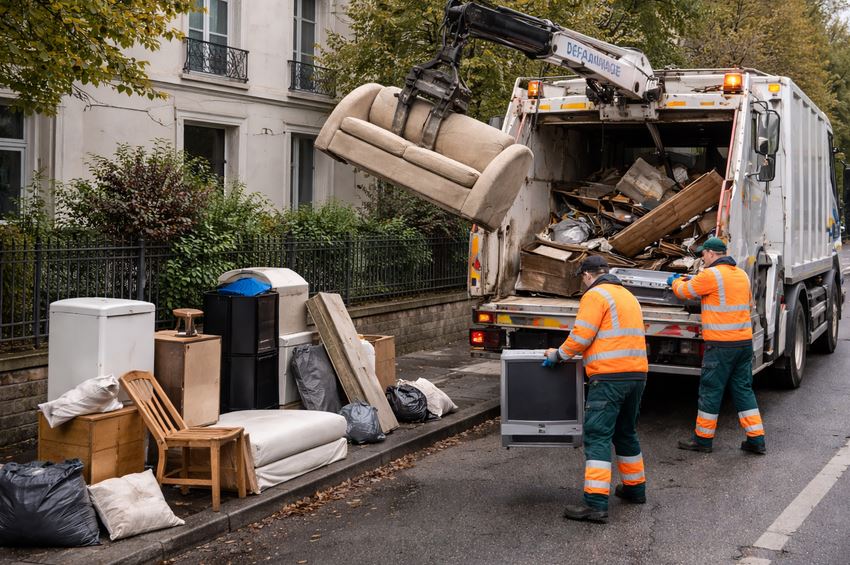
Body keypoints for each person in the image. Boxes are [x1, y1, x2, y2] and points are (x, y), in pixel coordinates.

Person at [544, 255, 648, 524]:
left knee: (598, 435)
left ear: (588, 275)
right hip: (637, 374)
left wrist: (557, 355)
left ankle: (596, 503)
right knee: (626, 431)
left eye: (583, 277)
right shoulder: (627, 295)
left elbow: (581, 336)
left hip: (610, 377)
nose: (583, 282)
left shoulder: (595, 295)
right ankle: (635, 488)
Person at [669, 237, 766, 455]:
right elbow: (748, 302)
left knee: (711, 391)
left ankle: (703, 440)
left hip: (721, 345)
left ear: (712, 254)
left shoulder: (711, 274)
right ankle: (756, 439)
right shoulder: (741, 274)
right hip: (743, 343)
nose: (702, 257)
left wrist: (674, 281)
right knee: (743, 390)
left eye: (704, 254)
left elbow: (684, 292)